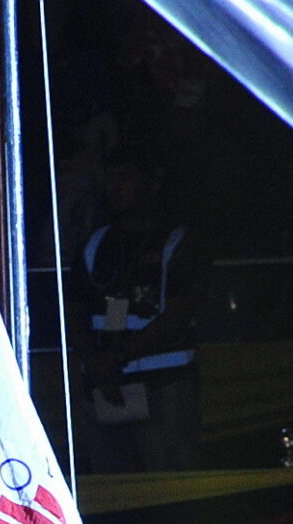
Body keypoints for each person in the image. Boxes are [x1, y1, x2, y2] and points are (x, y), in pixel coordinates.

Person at [77, 149, 200, 473]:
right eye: (110, 179)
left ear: (153, 182)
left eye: (126, 177)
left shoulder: (176, 241)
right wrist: (96, 363)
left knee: (172, 480)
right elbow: (74, 311)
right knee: (112, 485)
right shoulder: (97, 243)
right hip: (105, 388)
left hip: (163, 386)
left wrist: (115, 358)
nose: (114, 187)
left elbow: (178, 314)